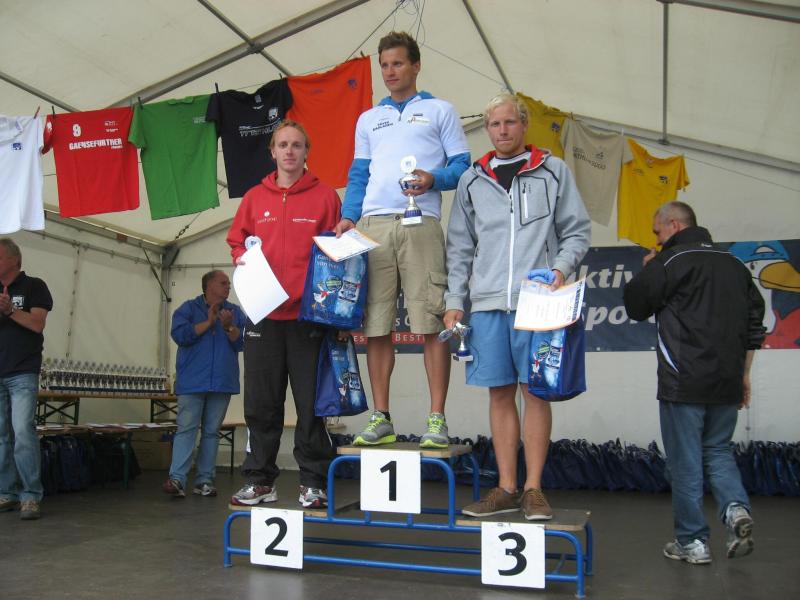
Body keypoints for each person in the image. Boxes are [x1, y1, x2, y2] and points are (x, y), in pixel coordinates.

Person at [444, 93, 590, 520]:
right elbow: (459, 247)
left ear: (524, 125)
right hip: (488, 302)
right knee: (499, 393)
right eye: (495, 124)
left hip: (538, 302)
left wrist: (560, 269)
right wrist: (454, 301)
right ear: (487, 129)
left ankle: (533, 489)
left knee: (536, 392)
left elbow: (576, 231)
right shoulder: (471, 180)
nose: (502, 130)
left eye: (510, 122)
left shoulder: (553, 170)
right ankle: (506, 487)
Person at [334, 31, 471, 448]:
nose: (390, 72)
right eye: (384, 65)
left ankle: (436, 419)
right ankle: (381, 417)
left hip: (421, 220)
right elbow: (359, 174)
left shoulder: (440, 110)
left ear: (415, 65)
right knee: (376, 326)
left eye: (397, 63)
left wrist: (434, 178)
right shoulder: (368, 119)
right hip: (373, 225)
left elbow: (462, 167)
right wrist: (348, 217)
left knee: (431, 321)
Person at [623, 201, 765, 564]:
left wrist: (647, 270)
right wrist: (744, 375)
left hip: (682, 381)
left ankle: (692, 542)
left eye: (657, 231)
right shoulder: (735, 265)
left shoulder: (669, 262)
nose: (656, 239)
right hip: (727, 380)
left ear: (673, 224)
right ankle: (735, 509)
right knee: (718, 451)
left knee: (684, 463)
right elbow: (755, 326)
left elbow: (635, 305)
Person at [226, 120, 340, 509]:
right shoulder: (254, 198)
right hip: (263, 315)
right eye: (283, 145)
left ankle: (313, 483)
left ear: (307, 152)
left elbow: (337, 253)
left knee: (311, 405)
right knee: (261, 404)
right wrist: (241, 257)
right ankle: (260, 481)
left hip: (309, 317)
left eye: (296, 145)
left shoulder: (326, 197)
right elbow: (236, 240)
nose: (289, 151)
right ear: (272, 152)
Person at [162, 270, 245, 498]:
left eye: (228, 283)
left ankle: (205, 481)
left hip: (221, 382)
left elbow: (242, 343)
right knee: (186, 429)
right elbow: (180, 336)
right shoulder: (188, 309)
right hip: (192, 381)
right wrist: (209, 323)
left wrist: (228, 326)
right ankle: (177, 479)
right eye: (223, 283)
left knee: (211, 432)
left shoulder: (235, 312)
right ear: (209, 286)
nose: (228, 286)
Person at [0, 238, 53, 520]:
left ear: (14, 260)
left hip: (22, 371)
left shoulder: (34, 286)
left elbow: (37, 324)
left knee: (22, 431)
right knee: (1, 436)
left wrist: (10, 310)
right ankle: (6, 492)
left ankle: (30, 494)